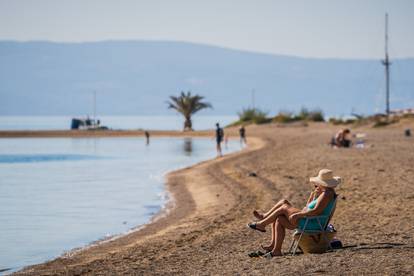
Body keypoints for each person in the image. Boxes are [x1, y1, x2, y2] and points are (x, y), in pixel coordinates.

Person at [247, 169, 341, 258]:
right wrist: (313, 196)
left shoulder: (326, 194)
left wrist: (298, 215)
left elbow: (316, 211)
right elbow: (307, 207)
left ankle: (262, 224)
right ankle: (275, 249)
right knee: (280, 216)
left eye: (318, 183)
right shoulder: (325, 193)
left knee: (284, 207)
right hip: (310, 220)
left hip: (312, 223)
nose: (316, 185)